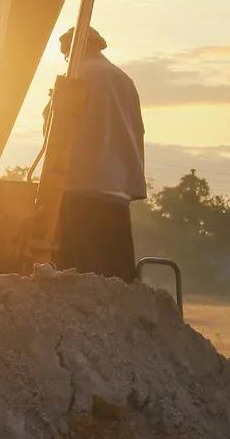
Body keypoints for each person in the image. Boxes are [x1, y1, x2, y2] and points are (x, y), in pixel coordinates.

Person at [51, 25, 147, 281]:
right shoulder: (124, 80)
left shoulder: (75, 76)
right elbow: (138, 130)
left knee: (76, 275)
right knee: (116, 277)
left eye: (65, 53)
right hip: (118, 191)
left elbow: (55, 131)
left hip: (80, 189)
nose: (65, 59)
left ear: (74, 48)